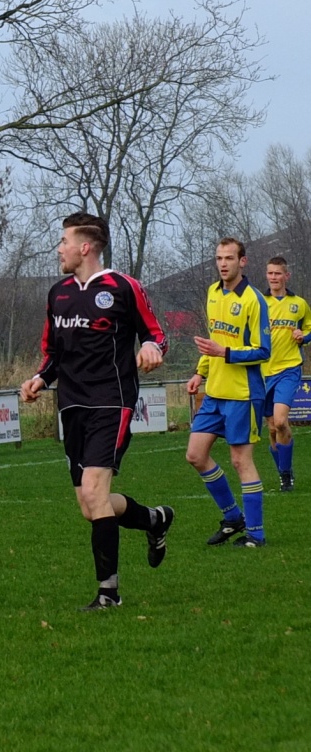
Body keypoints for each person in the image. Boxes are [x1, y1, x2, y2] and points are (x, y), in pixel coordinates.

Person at [20, 212, 172, 611]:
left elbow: (156, 334)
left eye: (64, 241)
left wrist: (151, 347)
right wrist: (38, 379)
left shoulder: (123, 287)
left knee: (94, 491)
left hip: (111, 401)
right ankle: (154, 519)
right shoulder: (58, 294)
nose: (60, 249)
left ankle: (109, 593)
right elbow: (52, 354)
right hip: (72, 405)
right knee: (91, 506)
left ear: (84, 247)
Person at [186, 237, 271, 548]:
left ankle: (256, 534)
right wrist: (200, 372)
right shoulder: (212, 292)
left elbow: (263, 350)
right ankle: (233, 517)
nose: (223, 264)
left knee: (240, 461)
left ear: (242, 261)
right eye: (219, 258)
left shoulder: (253, 300)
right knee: (195, 455)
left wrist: (225, 353)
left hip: (243, 394)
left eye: (229, 258)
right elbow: (214, 341)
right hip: (215, 392)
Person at [261, 257, 311, 491]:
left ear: (286, 276)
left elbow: (309, 328)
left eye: (278, 273)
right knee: (272, 429)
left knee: (281, 421)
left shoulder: (299, 304)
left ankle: (286, 474)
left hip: (289, 369)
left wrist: (304, 337)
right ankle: (284, 472)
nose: (273, 277)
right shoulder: (259, 302)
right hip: (263, 372)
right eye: (270, 273)